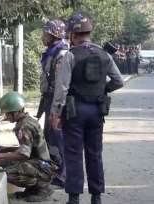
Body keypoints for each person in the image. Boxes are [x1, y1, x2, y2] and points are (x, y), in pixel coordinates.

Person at [50, 14, 124, 204]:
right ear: (90, 33)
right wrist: (102, 89)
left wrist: (56, 113)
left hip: (74, 111)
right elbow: (118, 81)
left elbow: (62, 88)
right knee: (95, 153)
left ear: (73, 35)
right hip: (97, 111)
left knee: (73, 153)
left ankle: (74, 198)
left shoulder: (70, 55)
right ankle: (96, 197)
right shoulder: (104, 54)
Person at [0, 91, 55, 202]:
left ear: (17, 112)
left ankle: (42, 188)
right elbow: (29, 147)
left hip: (42, 168)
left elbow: (24, 154)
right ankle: (32, 188)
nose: (6, 117)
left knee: (5, 173)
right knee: (6, 163)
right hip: (42, 164)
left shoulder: (23, 127)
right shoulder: (29, 121)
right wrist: (7, 149)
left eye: (8, 113)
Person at [36, 19, 68, 188]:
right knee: (49, 138)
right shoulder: (51, 52)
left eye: (46, 33)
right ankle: (54, 171)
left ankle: (63, 175)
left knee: (58, 138)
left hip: (57, 101)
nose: (43, 36)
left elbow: (61, 85)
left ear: (54, 35)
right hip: (48, 98)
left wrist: (56, 110)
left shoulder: (61, 54)